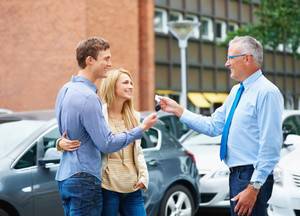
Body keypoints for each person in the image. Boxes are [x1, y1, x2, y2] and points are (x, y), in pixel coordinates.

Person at [159, 36, 283, 216]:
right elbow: (213, 126)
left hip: (251, 176)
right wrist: (178, 110)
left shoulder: (267, 93)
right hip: (237, 175)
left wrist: (254, 187)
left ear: (247, 58)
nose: (226, 63)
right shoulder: (236, 92)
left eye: (230, 58)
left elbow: (270, 146)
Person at [55, 37, 157, 216]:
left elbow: (66, 132)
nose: (110, 64)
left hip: (65, 177)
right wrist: (140, 129)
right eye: (106, 59)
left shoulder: (65, 90)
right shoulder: (90, 98)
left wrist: (59, 143)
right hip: (86, 178)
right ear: (90, 60)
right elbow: (106, 144)